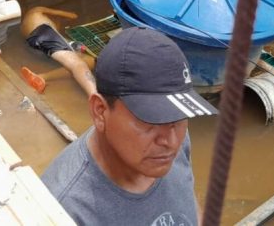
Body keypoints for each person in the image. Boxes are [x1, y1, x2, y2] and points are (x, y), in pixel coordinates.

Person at [41, 27, 217, 225]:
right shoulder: (65, 212)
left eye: (178, 116)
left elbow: (188, 200)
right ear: (100, 111)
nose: (170, 141)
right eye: (151, 120)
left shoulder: (174, 139)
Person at [20, 6, 97, 94]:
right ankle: (94, 94)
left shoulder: (30, 21)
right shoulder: (36, 11)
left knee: (85, 60)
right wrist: (62, 14)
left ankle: (41, 77)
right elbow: (73, 16)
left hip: (35, 46)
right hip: (43, 34)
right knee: (86, 62)